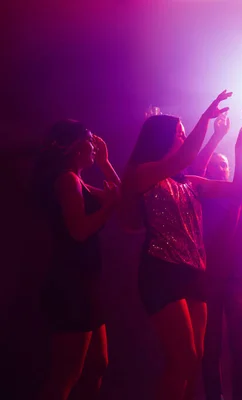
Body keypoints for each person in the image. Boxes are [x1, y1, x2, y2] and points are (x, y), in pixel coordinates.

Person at [121, 91, 242, 400]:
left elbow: (239, 188)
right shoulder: (144, 174)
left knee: (192, 361)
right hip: (160, 272)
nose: (184, 140)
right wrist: (205, 120)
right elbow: (183, 159)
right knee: (182, 359)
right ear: (161, 140)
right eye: (180, 135)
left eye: (185, 135)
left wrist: (237, 147)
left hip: (194, 273)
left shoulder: (189, 183)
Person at [187, 99, 242, 400]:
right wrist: (217, 136)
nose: (222, 168)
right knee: (210, 348)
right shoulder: (199, 192)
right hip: (207, 276)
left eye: (225, 165)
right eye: (216, 165)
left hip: (237, 276)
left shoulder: (239, 191)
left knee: (239, 347)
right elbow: (196, 166)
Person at [34, 120, 121, 400]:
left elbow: (119, 197)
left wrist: (106, 164)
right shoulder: (67, 179)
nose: (95, 145)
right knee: (67, 373)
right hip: (71, 283)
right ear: (74, 146)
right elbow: (79, 230)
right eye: (90, 139)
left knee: (97, 364)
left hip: (85, 281)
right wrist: (107, 209)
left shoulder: (77, 179)